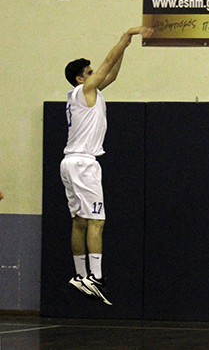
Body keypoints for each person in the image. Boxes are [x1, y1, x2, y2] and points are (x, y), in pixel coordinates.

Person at [61, 25, 152, 305]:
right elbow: (107, 63)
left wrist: (125, 49)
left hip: (70, 161)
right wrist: (126, 36)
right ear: (80, 79)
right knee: (97, 221)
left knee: (79, 221)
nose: (95, 74)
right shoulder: (83, 90)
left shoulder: (88, 94)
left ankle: (80, 276)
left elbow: (111, 73)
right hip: (84, 163)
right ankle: (96, 277)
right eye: (89, 72)